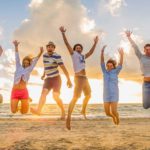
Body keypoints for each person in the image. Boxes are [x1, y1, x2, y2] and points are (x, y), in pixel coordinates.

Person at [60, 26, 99, 130]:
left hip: (85, 78)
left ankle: (83, 110)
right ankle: (69, 117)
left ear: (81, 49)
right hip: (79, 79)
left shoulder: (82, 56)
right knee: (75, 97)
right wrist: (63, 33)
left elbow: (90, 52)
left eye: (80, 47)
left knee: (88, 95)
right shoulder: (73, 55)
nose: (78, 48)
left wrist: (95, 43)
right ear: (74, 49)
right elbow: (67, 44)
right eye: (77, 47)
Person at [30, 41, 72, 120]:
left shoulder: (57, 56)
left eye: (52, 47)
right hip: (48, 79)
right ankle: (38, 110)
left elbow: (64, 68)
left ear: (53, 48)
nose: (50, 48)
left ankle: (63, 111)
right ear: (47, 48)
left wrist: (68, 79)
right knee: (43, 93)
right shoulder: (44, 55)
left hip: (56, 79)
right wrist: (43, 74)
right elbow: (46, 66)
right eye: (48, 46)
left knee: (55, 96)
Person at [11, 40, 43, 114]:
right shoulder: (19, 67)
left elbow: (35, 60)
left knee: (24, 112)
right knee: (13, 111)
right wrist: (16, 46)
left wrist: (40, 52)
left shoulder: (29, 69)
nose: (25, 63)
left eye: (27, 62)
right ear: (23, 62)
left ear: (29, 63)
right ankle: (21, 103)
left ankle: (27, 100)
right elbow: (17, 58)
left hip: (23, 91)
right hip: (15, 91)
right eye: (24, 62)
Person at [125, 31, 150, 109]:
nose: (148, 51)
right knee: (145, 106)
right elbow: (135, 47)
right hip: (146, 83)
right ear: (144, 50)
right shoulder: (141, 57)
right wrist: (129, 37)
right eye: (147, 49)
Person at [100, 45, 124, 125]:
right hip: (106, 95)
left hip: (114, 94)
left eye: (111, 65)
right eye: (108, 65)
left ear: (114, 66)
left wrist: (121, 55)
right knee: (107, 113)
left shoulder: (116, 71)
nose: (109, 67)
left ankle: (117, 116)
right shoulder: (104, 71)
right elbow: (102, 63)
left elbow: (120, 64)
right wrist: (102, 52)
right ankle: (113, 117)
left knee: (114, 111)